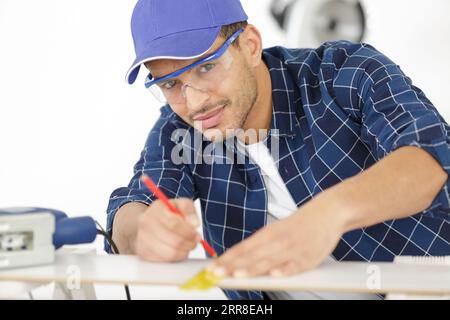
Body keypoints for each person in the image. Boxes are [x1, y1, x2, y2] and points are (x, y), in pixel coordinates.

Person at [106, 0, 450, 300]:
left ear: (250, 45)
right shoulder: (177, 131)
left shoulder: (345, 72)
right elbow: (131, 212)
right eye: (170, 84)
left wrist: (328, 214)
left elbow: (432, 154)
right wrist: (145, 231)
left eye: (206, 67)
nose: (194, 102)